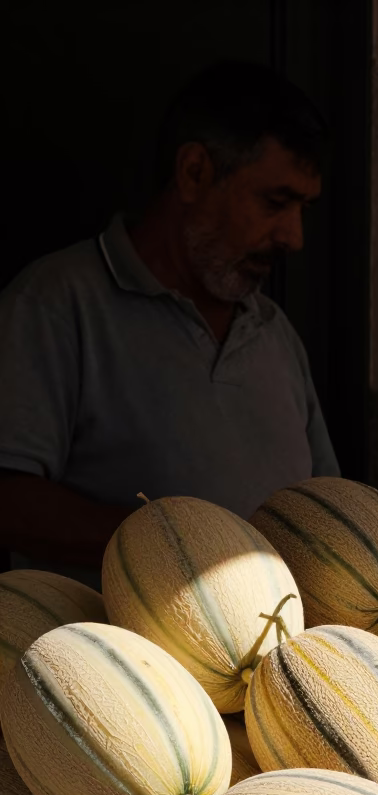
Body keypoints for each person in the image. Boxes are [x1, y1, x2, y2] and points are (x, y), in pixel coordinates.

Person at [0, 61, 340, 581]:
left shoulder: (274, 332)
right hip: (108, 659)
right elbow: (11, 499)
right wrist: (180, 546)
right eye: (276, 202)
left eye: (303, 208)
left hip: (268, 657)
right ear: (194, 173)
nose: (293, 237)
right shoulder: (55, 304)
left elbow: (328, 509)